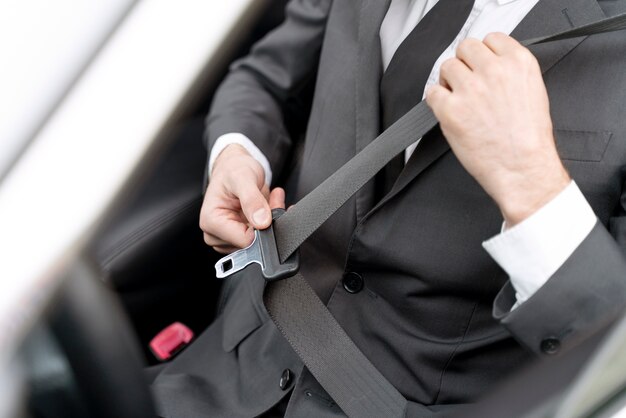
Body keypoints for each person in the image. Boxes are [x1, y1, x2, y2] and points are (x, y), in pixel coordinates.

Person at [152, 0, 626, 416]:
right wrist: (235, 154)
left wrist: (531, 182)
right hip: (228, 367)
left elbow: (614, 359)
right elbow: (267, 77)